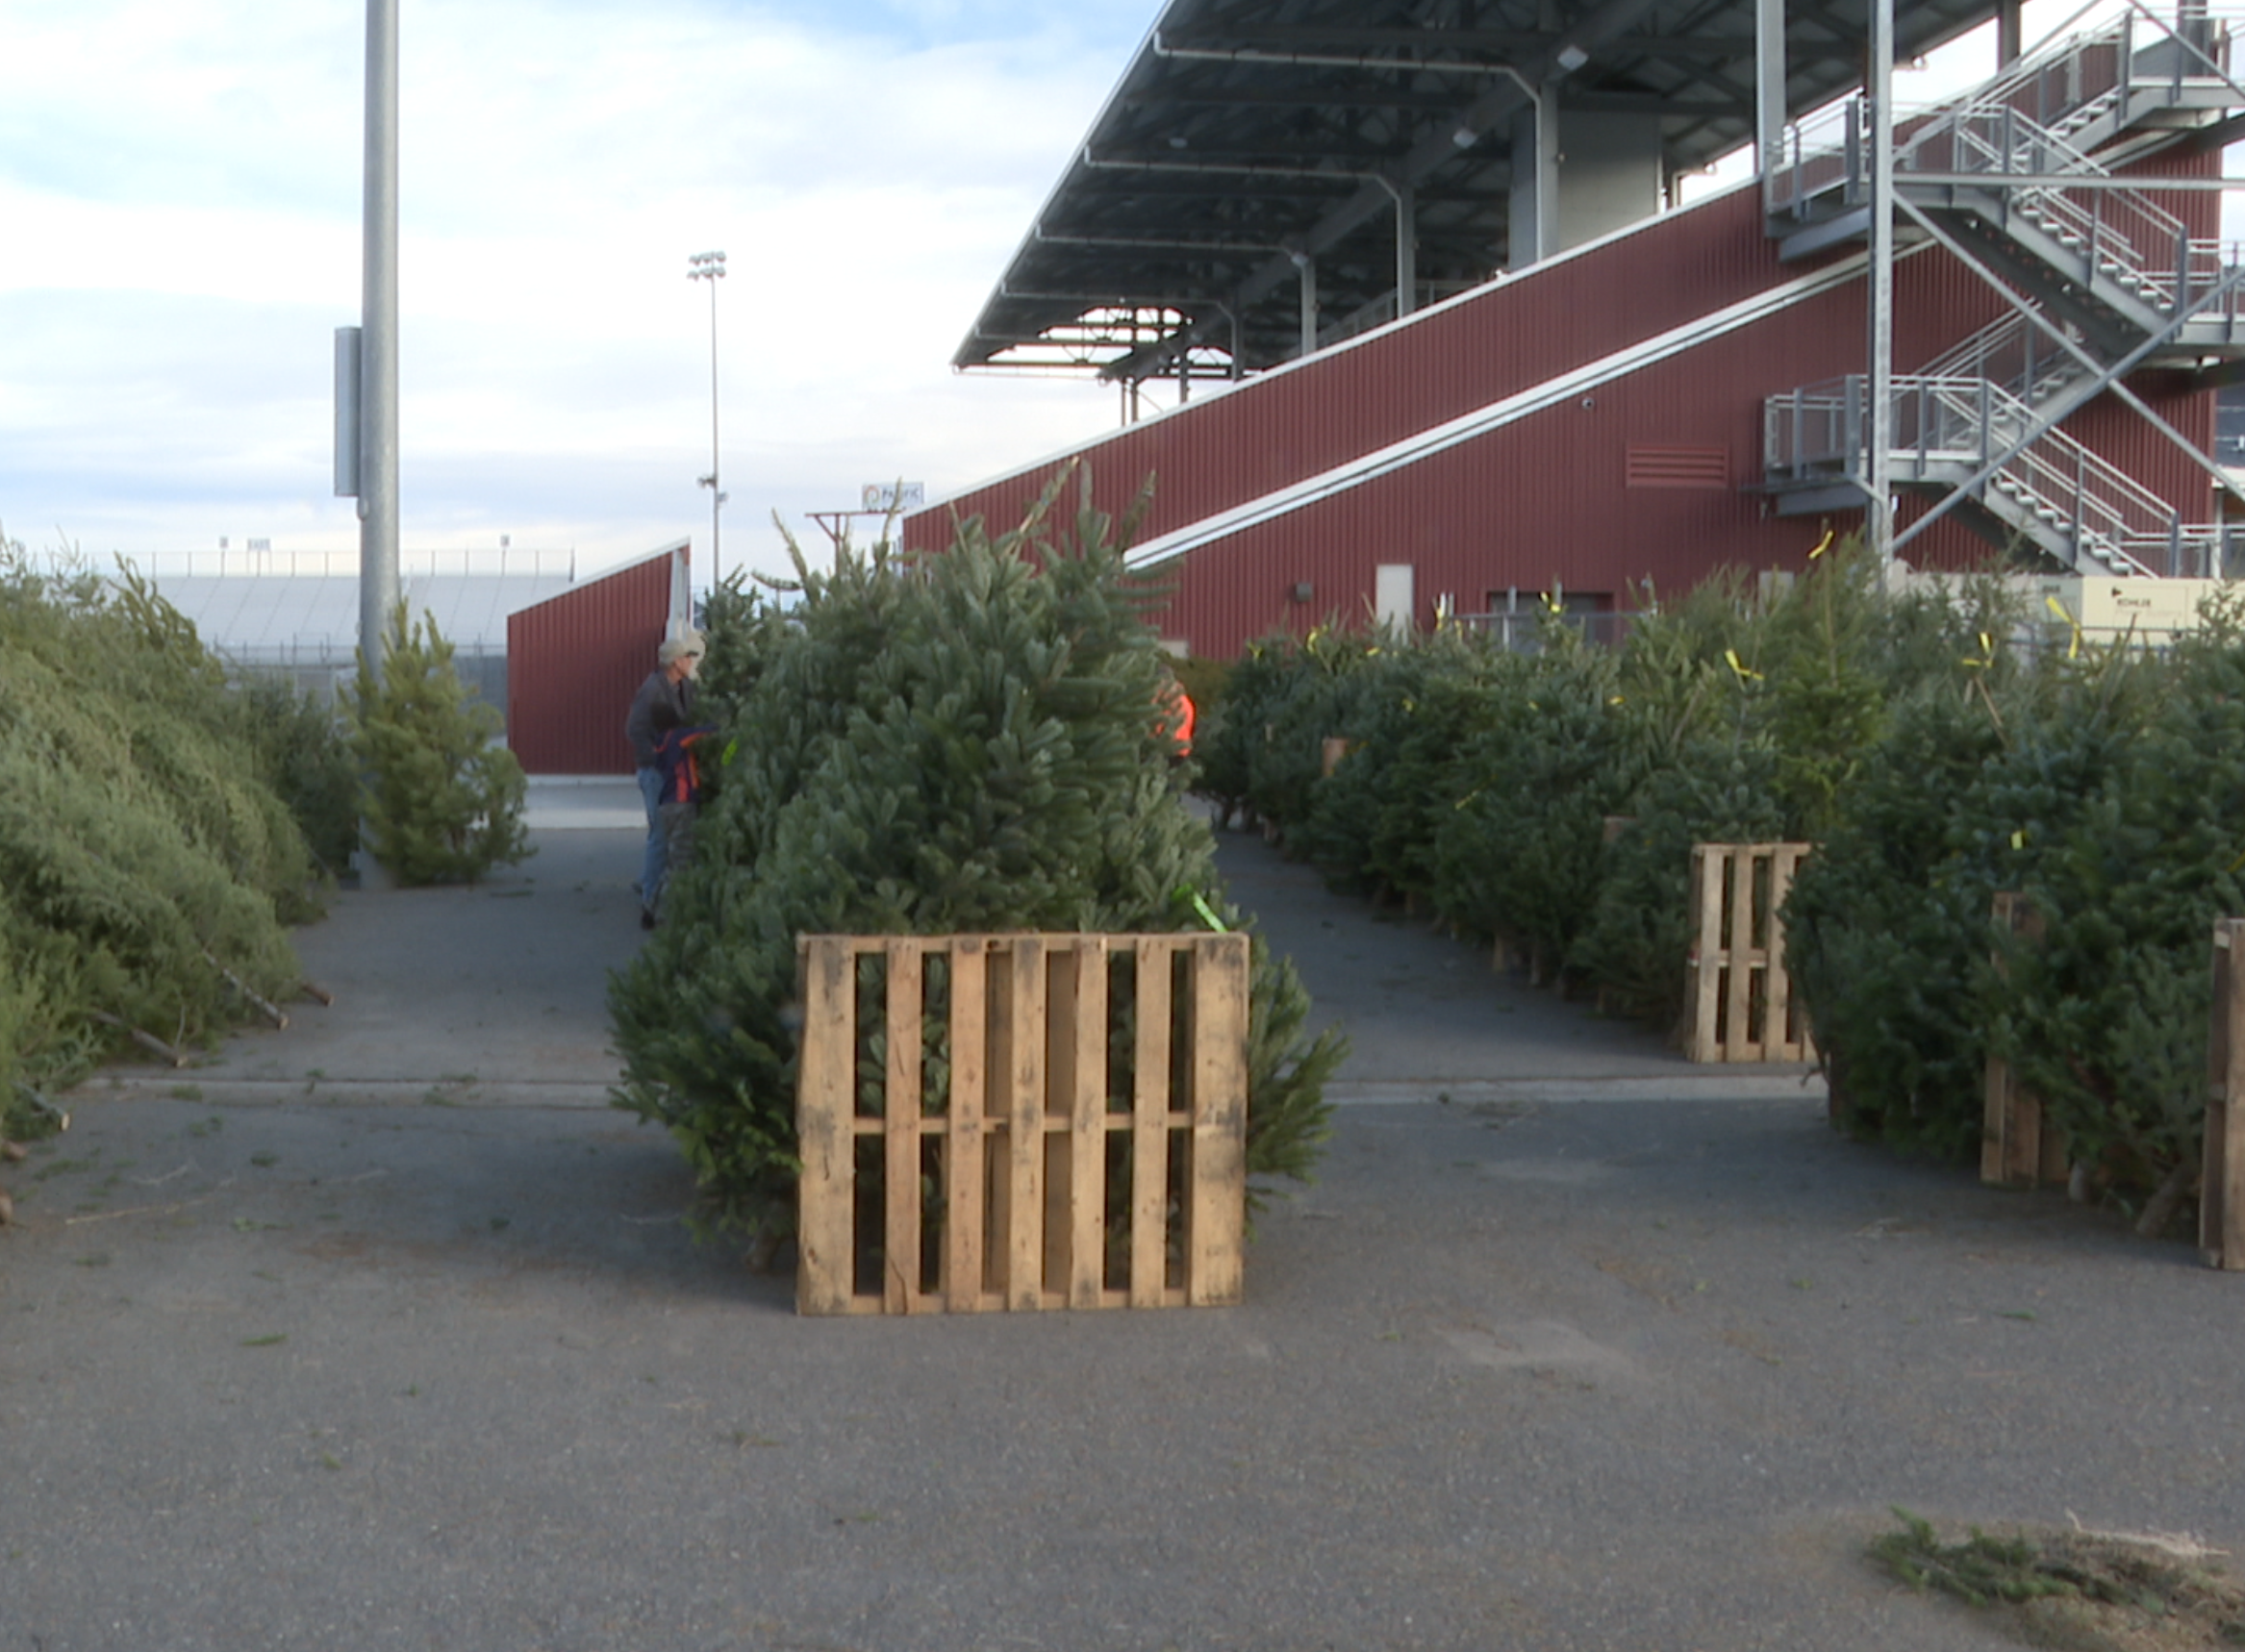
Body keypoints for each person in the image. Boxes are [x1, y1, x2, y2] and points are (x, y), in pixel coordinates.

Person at [626, 630, 703, 929]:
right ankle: (650, 901)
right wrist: (660, 758)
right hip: (657, 772)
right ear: (674, 662)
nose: (690, 661)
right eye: (687, 657)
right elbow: (634, 729)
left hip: (673, 770)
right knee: (660, 835)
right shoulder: (652, 692)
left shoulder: (683, 687)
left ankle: (651, 886)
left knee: (663, 836)